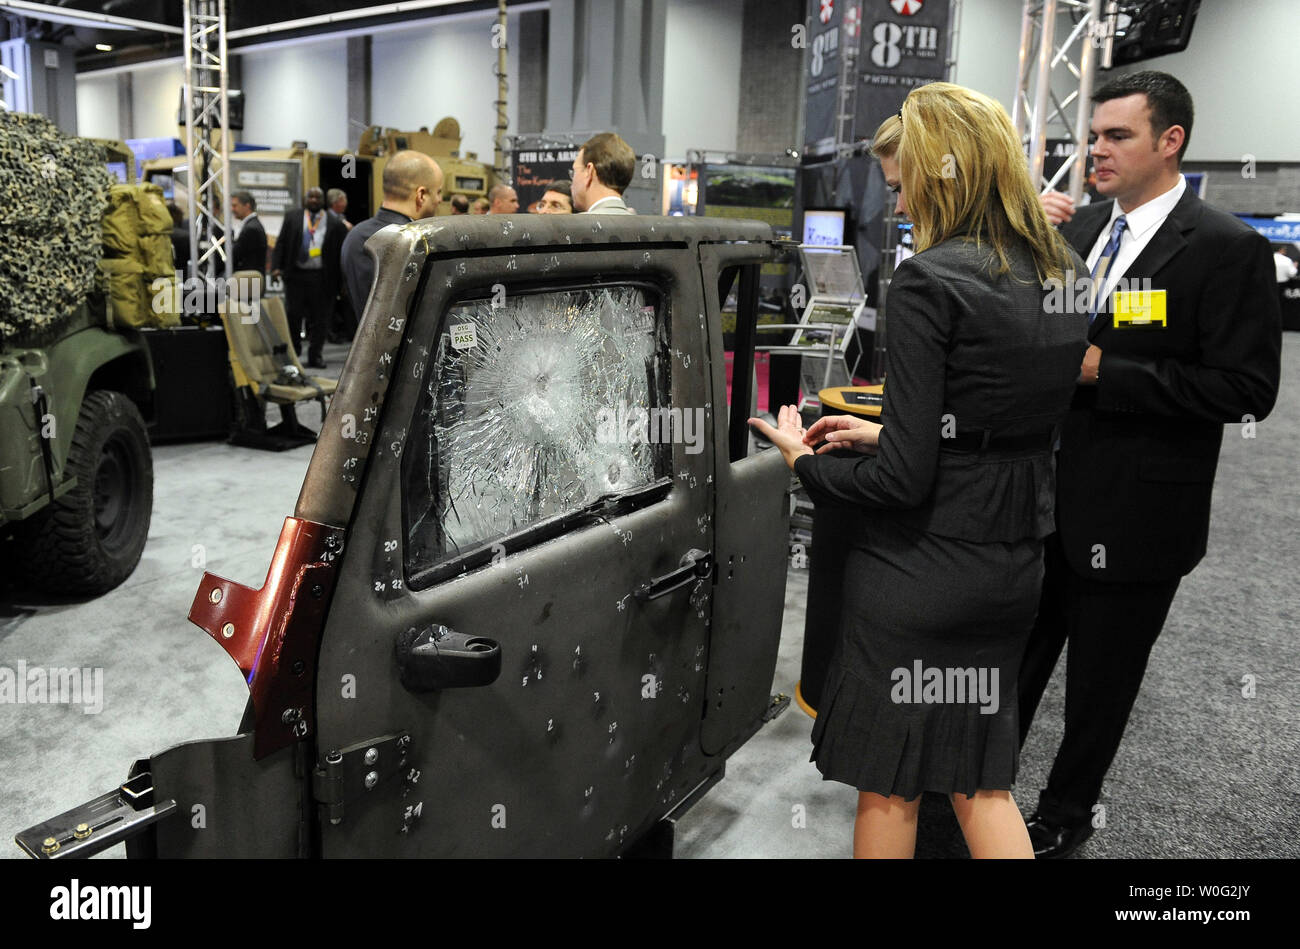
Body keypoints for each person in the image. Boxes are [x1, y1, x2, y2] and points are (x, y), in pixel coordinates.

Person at [751, 84, 1088, 859]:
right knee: (980, 778)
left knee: (891, 776)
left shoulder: (930, 282)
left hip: (917, 572)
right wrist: (882, 434)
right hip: (1012, 562)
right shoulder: (1063, 269)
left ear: (945, 172)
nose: (896, 205)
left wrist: (808, 463)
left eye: (903, 187)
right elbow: (995, 423)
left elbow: (903, 484)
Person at [1017, 70, 1282, 858]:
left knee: (1099, 688)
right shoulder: (1078, 231)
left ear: (1171, 142)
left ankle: (1064, 816)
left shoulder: (1228, 250)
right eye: (1093, 135)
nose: (1096, 149)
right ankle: (977, 790)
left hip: (1137, 516)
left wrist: (1109, 373)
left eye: (1117, 136)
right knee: (1013, 664)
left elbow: (1246, 389)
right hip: (1039, 503)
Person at [341, 150, 444, 323]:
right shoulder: (419, 244)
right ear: (421, 195)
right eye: (438, 192)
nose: (440, 200)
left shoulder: (355, 236)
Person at [271, 187, 346, 368]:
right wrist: (276, 267)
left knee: (321, 320)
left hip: (322, 278)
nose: (313, 200)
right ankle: (294, 355)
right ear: (305, 199)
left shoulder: (334, 223)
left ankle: (316, 356)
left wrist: (342, 282)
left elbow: (341, 253)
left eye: (317, 197)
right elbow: (281, 243)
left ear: (323, 201)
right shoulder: (293, 217)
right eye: (310, 197)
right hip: (296, 276)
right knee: (293, 317)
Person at [570, 132, 635, 214]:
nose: (571, 185)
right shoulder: (646, 225)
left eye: (574, 172)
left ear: (589, 172)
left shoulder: (571, 225)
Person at [230, 191, 266, 274]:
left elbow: (235, 256)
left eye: (235, 206)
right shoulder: (252, 225)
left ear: (247, 206)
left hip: (248, 281)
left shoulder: (251, 228)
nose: (232, 209)